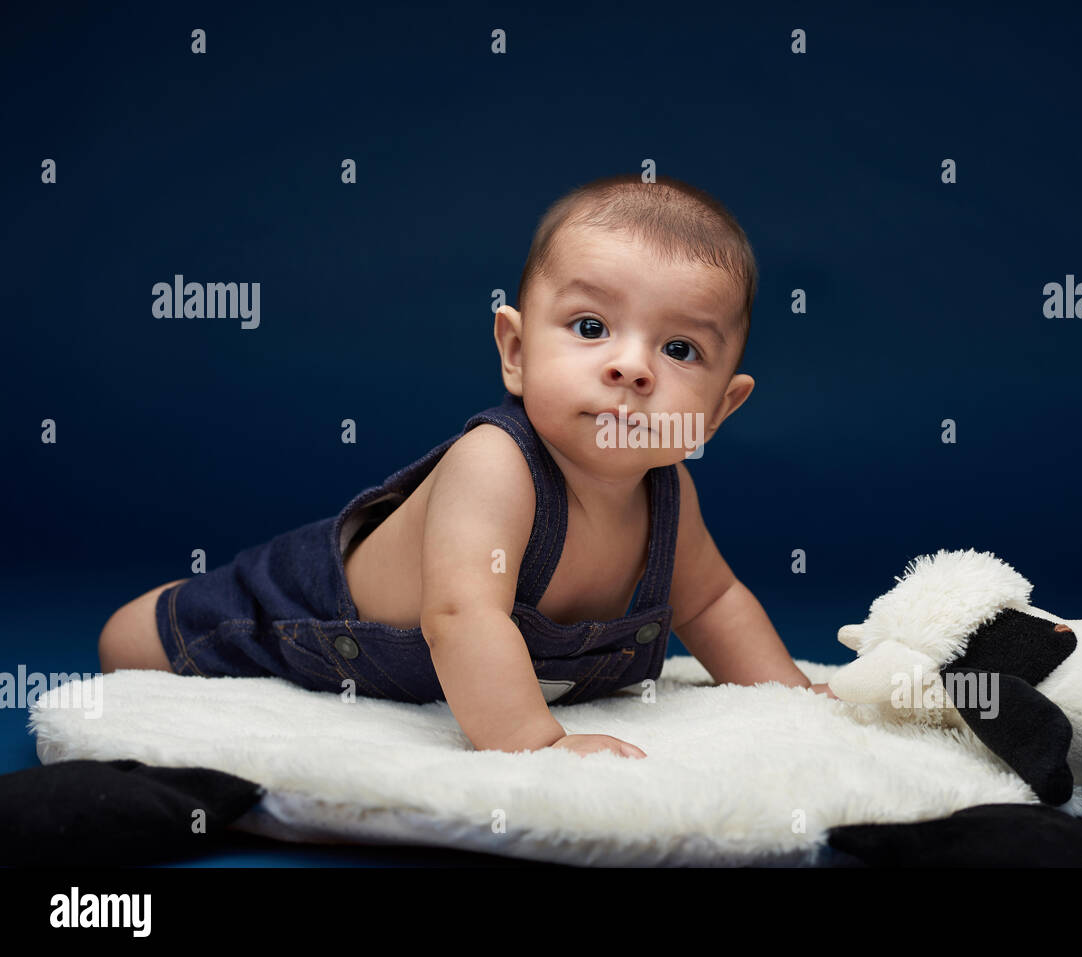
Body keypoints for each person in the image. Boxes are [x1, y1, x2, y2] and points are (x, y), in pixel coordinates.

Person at [99, 172, 835, 760]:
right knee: (140, 641)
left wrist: (792, 697)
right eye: (590, 327)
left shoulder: (670, 493)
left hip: (409, 660)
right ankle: (164, 608)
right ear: (515, 352)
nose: (632, 367)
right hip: (308, 614)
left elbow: (713, 604)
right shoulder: (497, 465)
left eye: (680, 350)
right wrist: (535, 742)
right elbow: (461, 615)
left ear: (719, 409)